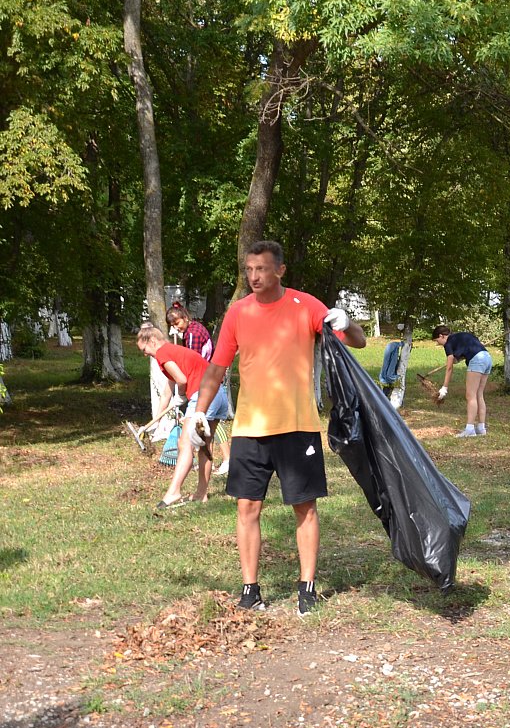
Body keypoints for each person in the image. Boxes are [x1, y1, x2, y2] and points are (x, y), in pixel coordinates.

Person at [186, 240, 366, 616]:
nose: (254, 277)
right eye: (249, 270)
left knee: (305, 507)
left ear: (280, 271)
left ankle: (308, 588)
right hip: (250, 429)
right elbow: (217, 369)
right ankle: (250, 590)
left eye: (262, 269)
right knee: (246, 508)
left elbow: (358, 342)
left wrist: (345, 322)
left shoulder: (306, 306)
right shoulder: (237, 313)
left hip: (298, 427)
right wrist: (196, 413)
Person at [136, 324, 232, 508]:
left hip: (203, 397)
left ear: (152, 342)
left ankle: (173, 492)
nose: (145, 353)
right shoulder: (175, 351)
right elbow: (166, 393)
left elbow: (181, 380)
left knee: (185, 443)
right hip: (218, 394)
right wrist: (155, 423)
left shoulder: (163, 353)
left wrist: (181, 394)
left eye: (144, 349)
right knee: (203, 444)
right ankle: (201, 494)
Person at [433, 326, 491, 437]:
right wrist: (457, 359)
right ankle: (481, 428)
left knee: (470, 395)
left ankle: (469, 429)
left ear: (441, 336)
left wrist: (444, 388)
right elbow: (462, 355)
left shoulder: (448, 343)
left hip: (477, 360)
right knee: (479, 394)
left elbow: (449, 368)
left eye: (437, 340)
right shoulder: (460, 336)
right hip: (487, 358)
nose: (439, 344)